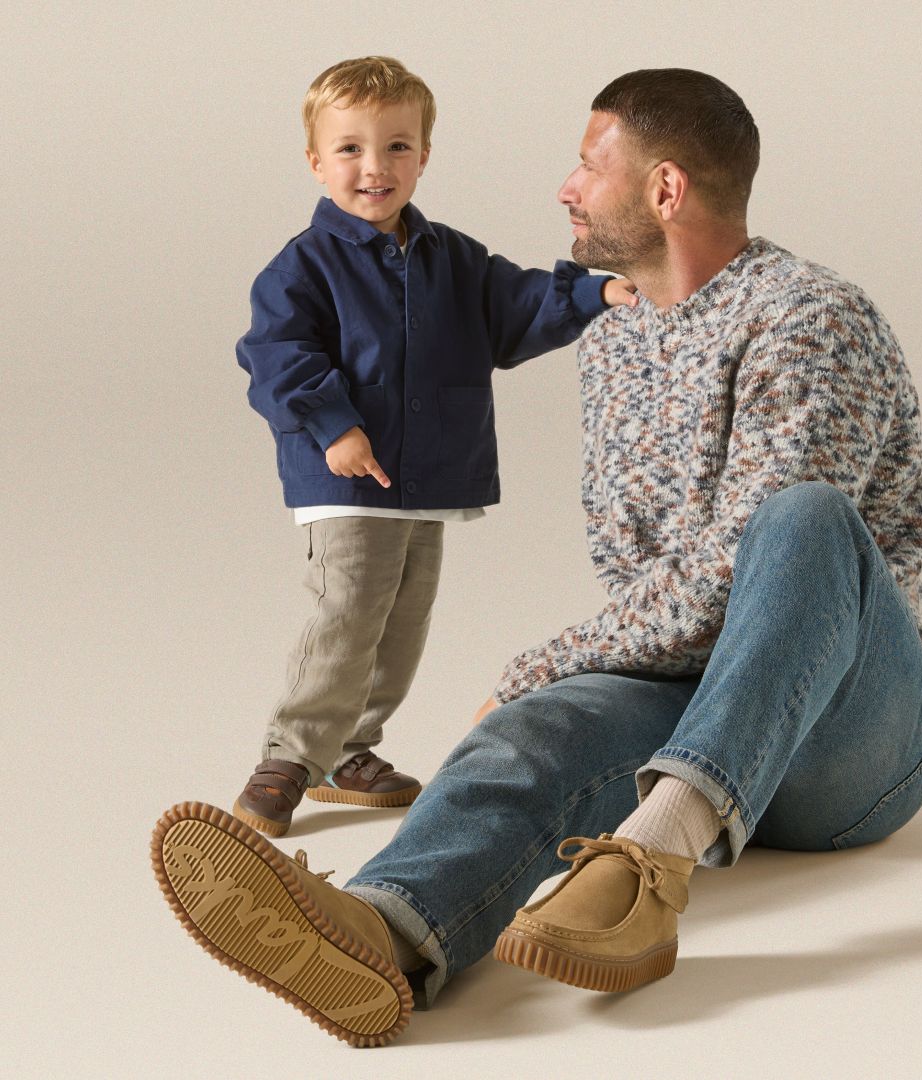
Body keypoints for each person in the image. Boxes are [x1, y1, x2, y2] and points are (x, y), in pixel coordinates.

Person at [152, 67, 922, 1048]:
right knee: (535, 731)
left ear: (664, 189)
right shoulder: (614, 334)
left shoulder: (809, 318)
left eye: (588, 165)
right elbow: (649, 592)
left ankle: (649, 863)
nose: (566, 188)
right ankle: (383, 928)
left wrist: (541, 662)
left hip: (853, 733)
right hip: (696, 711)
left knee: (802, 518)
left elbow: (735, 569)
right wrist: (550, 693)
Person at [229, 56, 634, 838]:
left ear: (423, 156)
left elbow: (518, 302)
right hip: (347, 478)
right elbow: (277, 354)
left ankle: (351, 750)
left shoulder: (453, 257)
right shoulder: (302, 266)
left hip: (428, 477)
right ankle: (289, 756)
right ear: (315, 161)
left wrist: (598, 292)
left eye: (397, 147)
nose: (374, 168)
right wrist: (333, 425)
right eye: (350, 149)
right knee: (347, 615)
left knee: (400, 625)